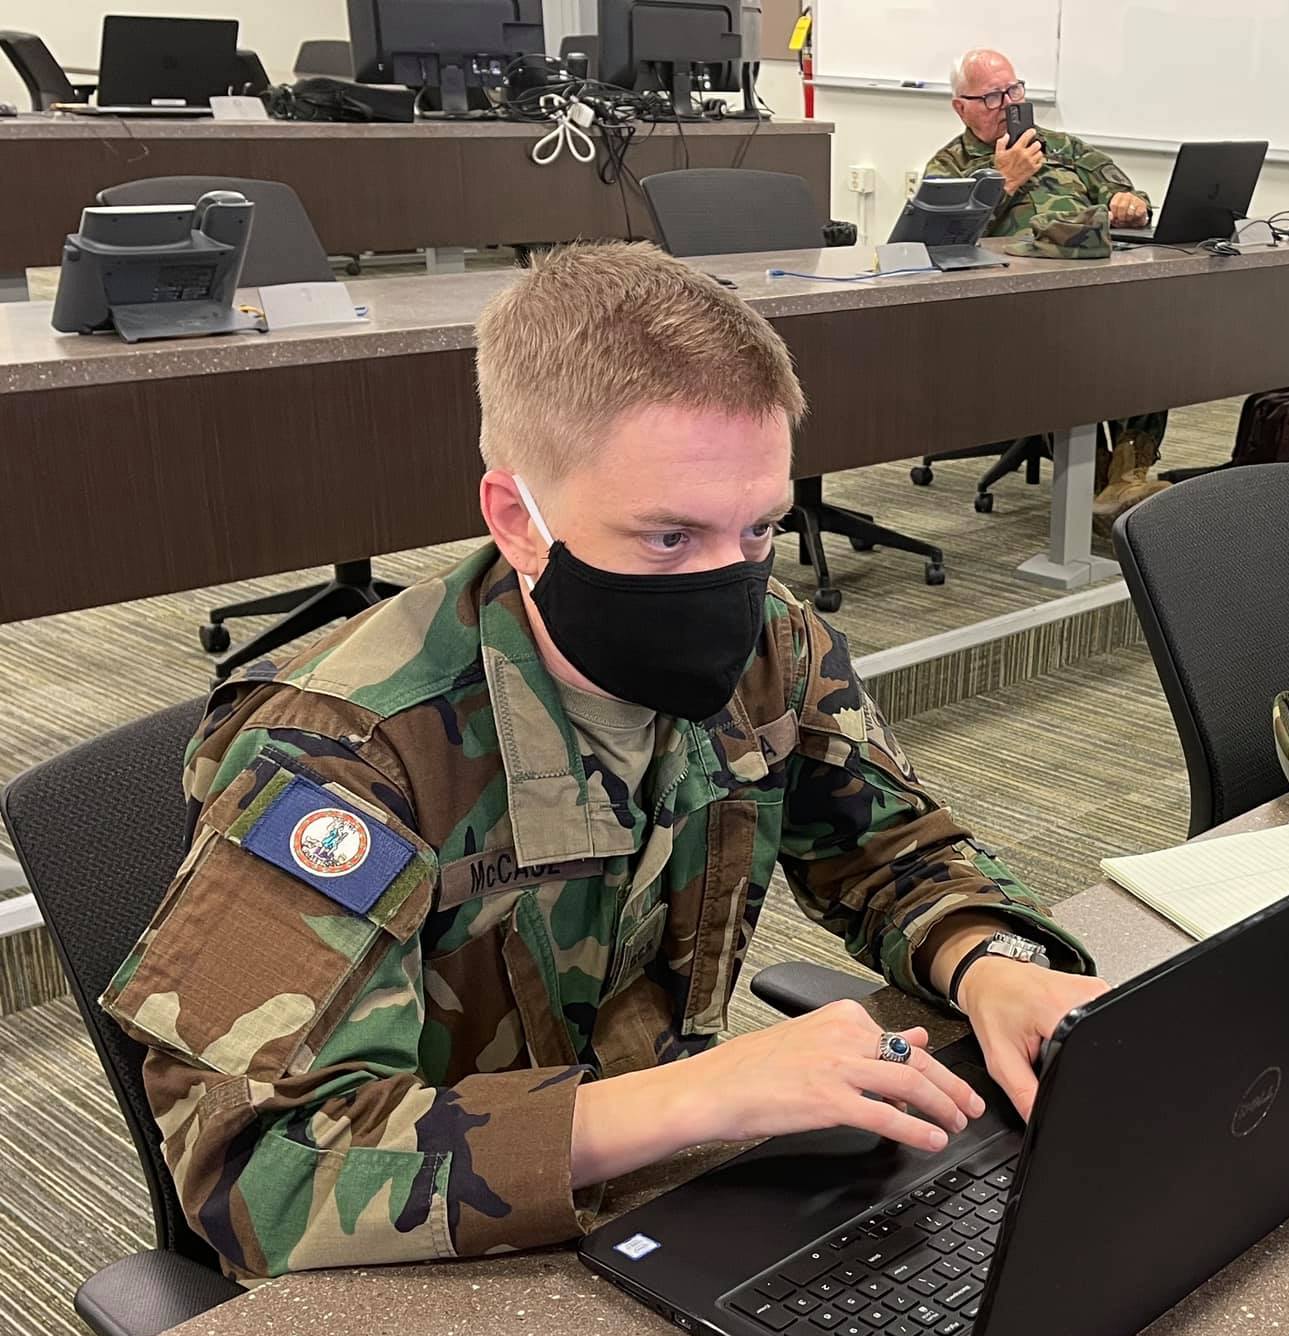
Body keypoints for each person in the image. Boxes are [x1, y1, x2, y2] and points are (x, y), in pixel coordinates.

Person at [101, 243, 1108, 1280]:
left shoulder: (773, 646)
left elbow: (888, 849)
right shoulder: (340, 758)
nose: (732, 583)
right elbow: (258, 1174)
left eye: (759, 527)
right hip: (427, 1270)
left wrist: (991, 961)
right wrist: (695, 1097)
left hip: (658, 1198)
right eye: (668, 538)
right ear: (515, 522)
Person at [924, 47, 1170, 514]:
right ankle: (1097, 486)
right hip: (1014, 306)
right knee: (1077, 352)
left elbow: (1126, 190)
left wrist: (1126, 201)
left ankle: (1127, 474)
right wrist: (1004, 182)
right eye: (993, 97)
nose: (1009, 105)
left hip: (1095, 290)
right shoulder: (949, 167)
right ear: (961, 107)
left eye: (1014, 91)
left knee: (1151, 335)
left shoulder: (1062, 147)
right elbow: (936, 241)